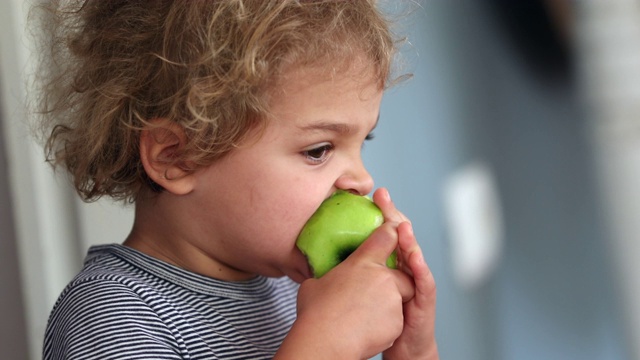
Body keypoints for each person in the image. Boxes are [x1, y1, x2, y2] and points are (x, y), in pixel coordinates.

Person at [34, 1, 438, 359]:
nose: (363, 180)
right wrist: (322, 347)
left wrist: (413, 349)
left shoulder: (298, 290)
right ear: (178, 157)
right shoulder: (113, 318)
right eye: (319, 149)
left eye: (362, 141)